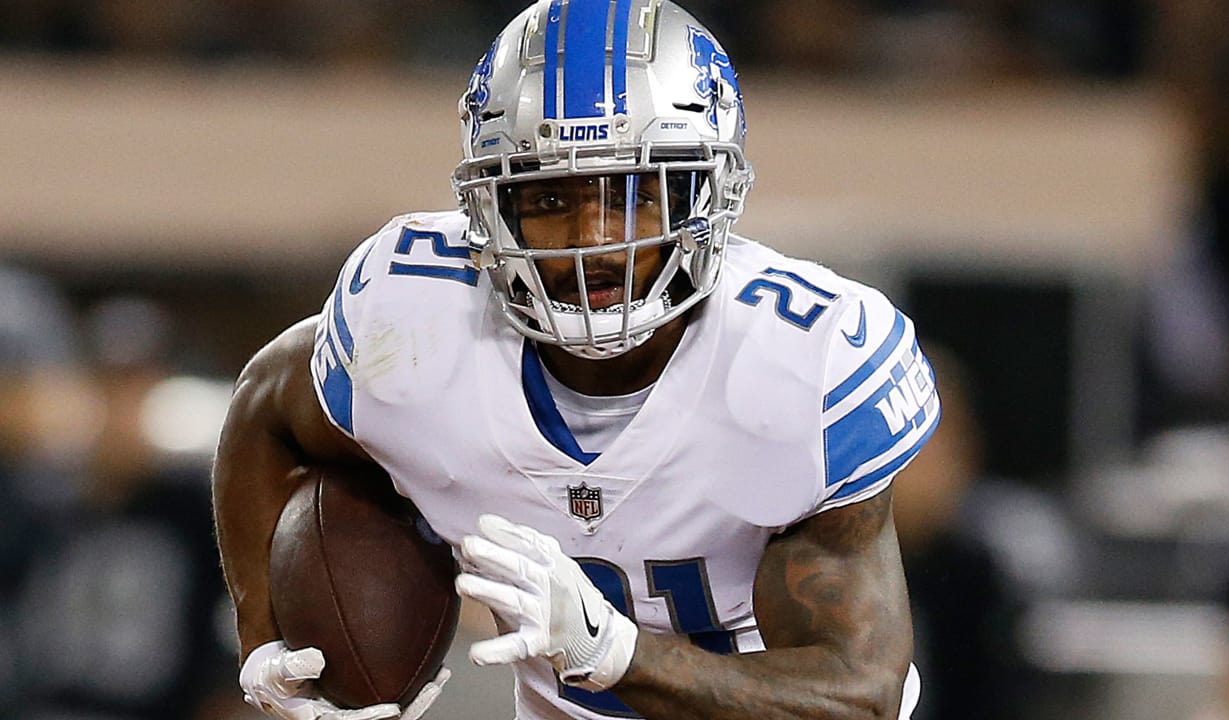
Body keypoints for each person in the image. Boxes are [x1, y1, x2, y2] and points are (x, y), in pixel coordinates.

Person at [213, 1, 941, 718]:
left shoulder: (798, 364)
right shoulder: (410, 328)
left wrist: (615, 655)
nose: (593, 236)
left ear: (704, 196)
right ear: (490, 208)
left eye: (632, 193)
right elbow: (261, 407)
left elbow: (856, 695)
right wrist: (260, 639)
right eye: (550, 195)